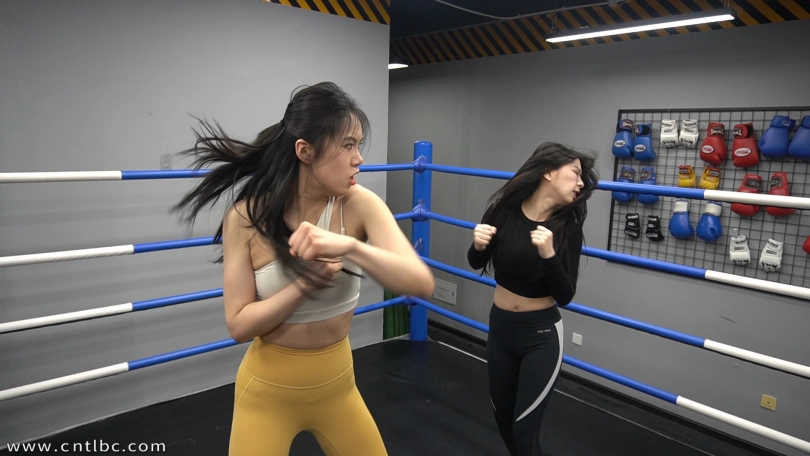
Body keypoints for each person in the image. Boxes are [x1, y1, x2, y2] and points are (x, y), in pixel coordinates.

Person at [174, 82, 435, 456]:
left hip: (337, 388)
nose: (359, 158)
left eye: (359, 145)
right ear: (305, 151)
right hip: (266, 394)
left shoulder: (358, 204)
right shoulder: (244, 218)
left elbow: (421, 283)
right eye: (348, 145)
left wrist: (350, 246)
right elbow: (239, 325)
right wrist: (305, 284)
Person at [467, 142, 597, 455]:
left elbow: (565, 295)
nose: (581, 183)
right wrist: (478, 245)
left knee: (525, 433)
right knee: (503, 423)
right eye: (575, 173)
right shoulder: (504, 211)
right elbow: (475, 261)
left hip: (540, 335)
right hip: (501, 328)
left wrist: (549, 256)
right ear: (549, 172)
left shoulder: (567, 226)